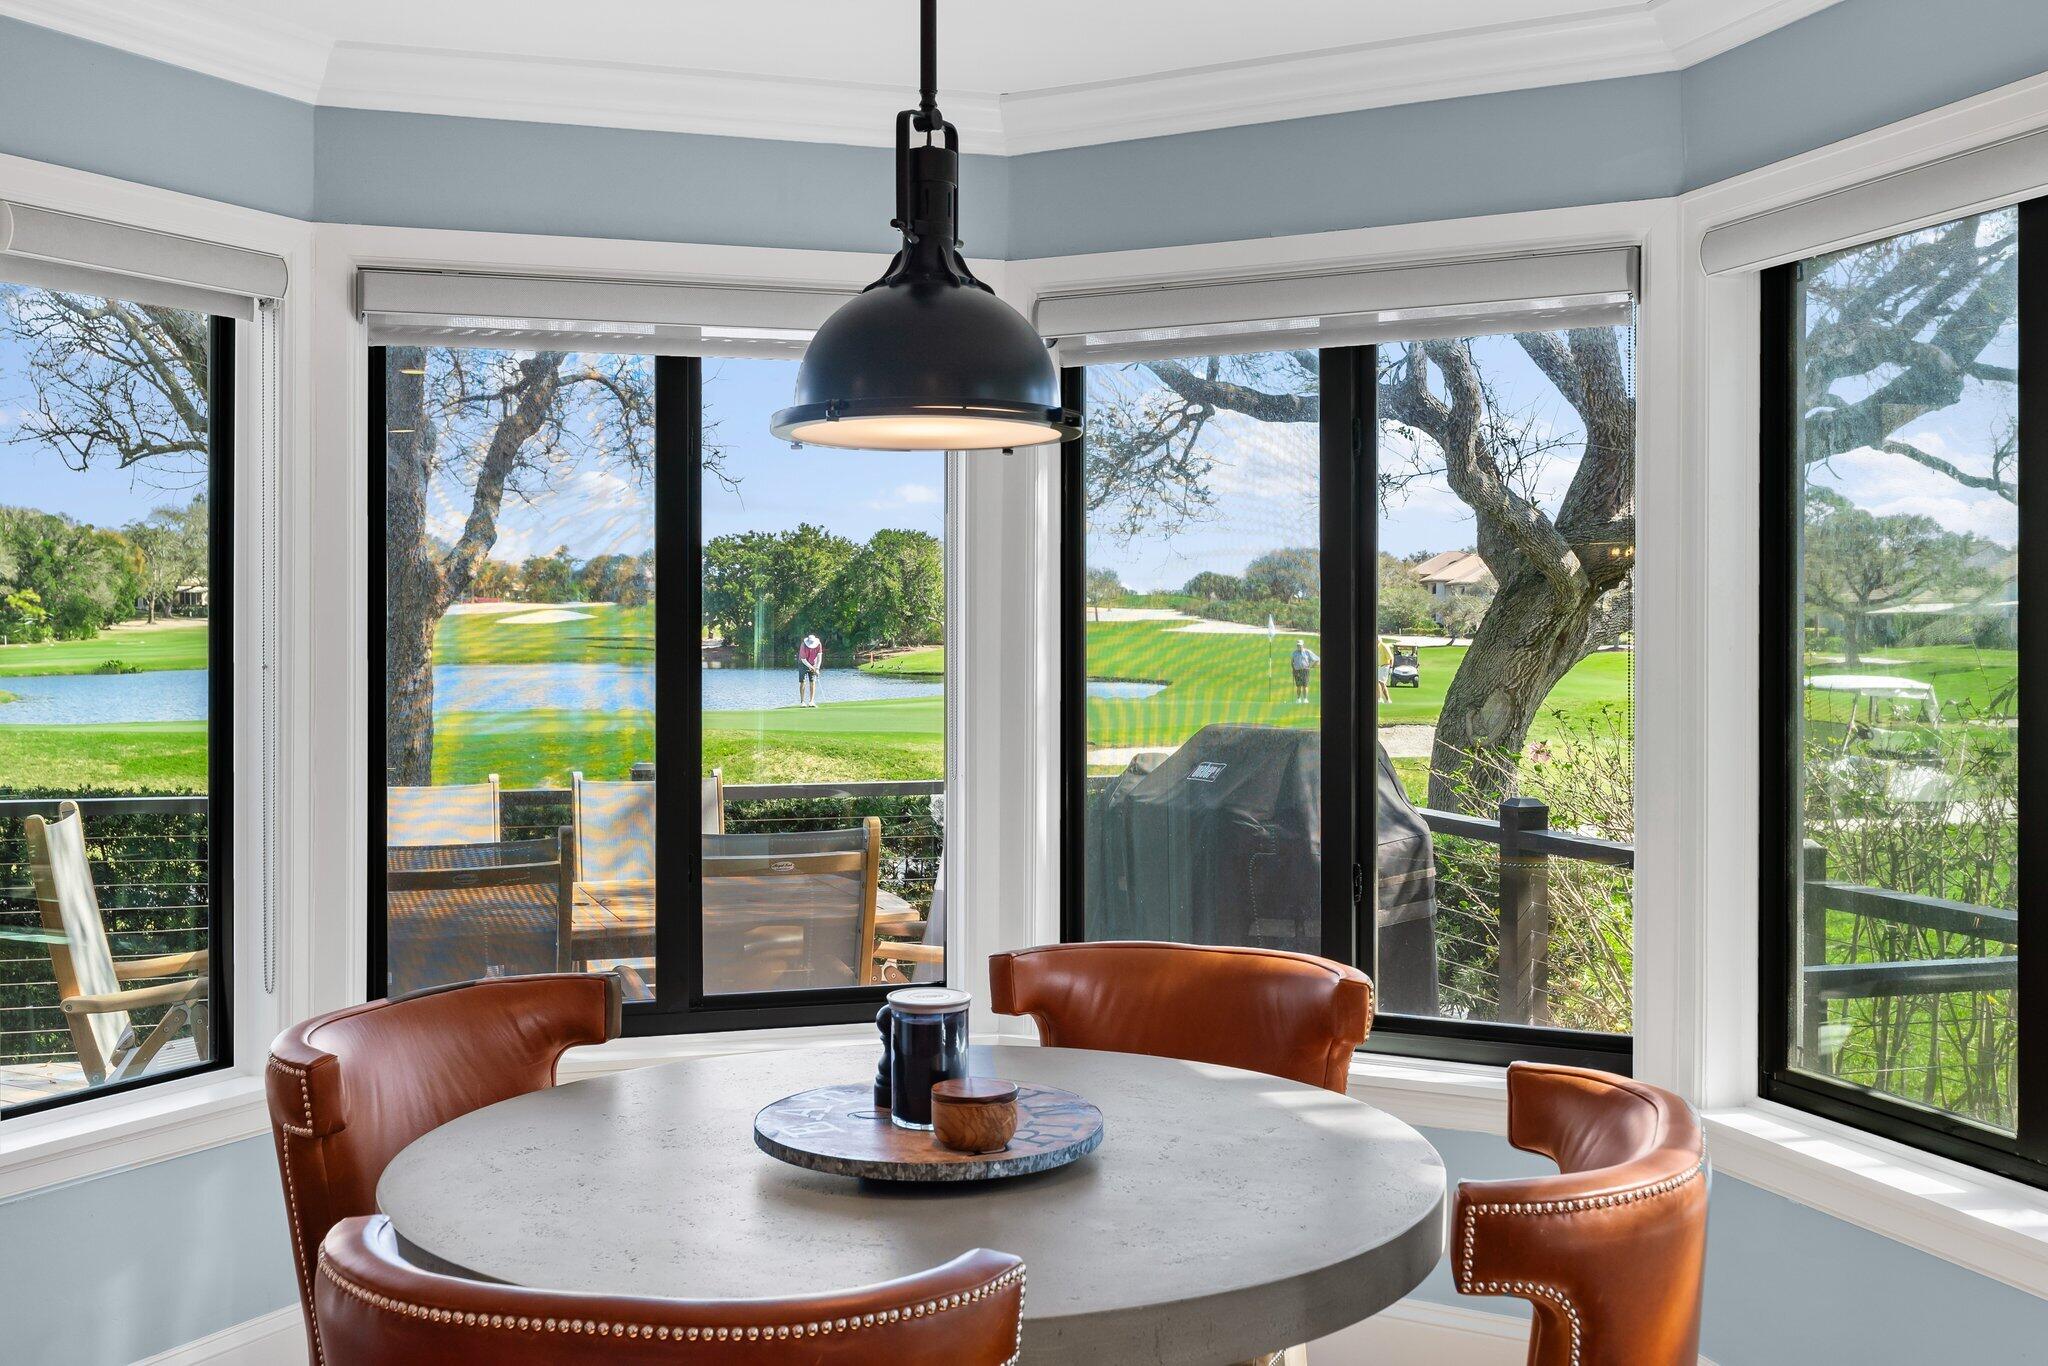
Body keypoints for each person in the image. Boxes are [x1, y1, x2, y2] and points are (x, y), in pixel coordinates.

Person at [797, 632, 824, 707]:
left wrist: (817, 668)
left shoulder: (818, 644)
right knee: (803, 682)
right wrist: (812, 668)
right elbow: (803, 659)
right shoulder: (803, 645)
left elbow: (819, 656)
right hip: (803, 664)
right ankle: (802, 702)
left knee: (812, 681)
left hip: (813, 663)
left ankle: (811, 701)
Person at [1290, 638, 1319, 704]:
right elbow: (1292, 662)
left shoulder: (1307, 652)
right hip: (1297, 671)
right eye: (1298, 645)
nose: (1299, 646)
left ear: (1303, 645)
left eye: (1300, 645)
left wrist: (1312, 666)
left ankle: (1305, 699)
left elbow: (1317, 659)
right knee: (1298, 686)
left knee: (1305, 685)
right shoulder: (1294, 653)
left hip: (1305, 670)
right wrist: (1293, 669)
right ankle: (1298, 699)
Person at [1376, 634, 1394, 702]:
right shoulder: (1377, 646)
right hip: (1379, 666)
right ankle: (1384, 699)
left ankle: (1384, 699)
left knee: (1381, 682)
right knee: (1379, 683)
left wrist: (1391, 668)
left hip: (1385, 666)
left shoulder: (1384, 646)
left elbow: (1391, 658)